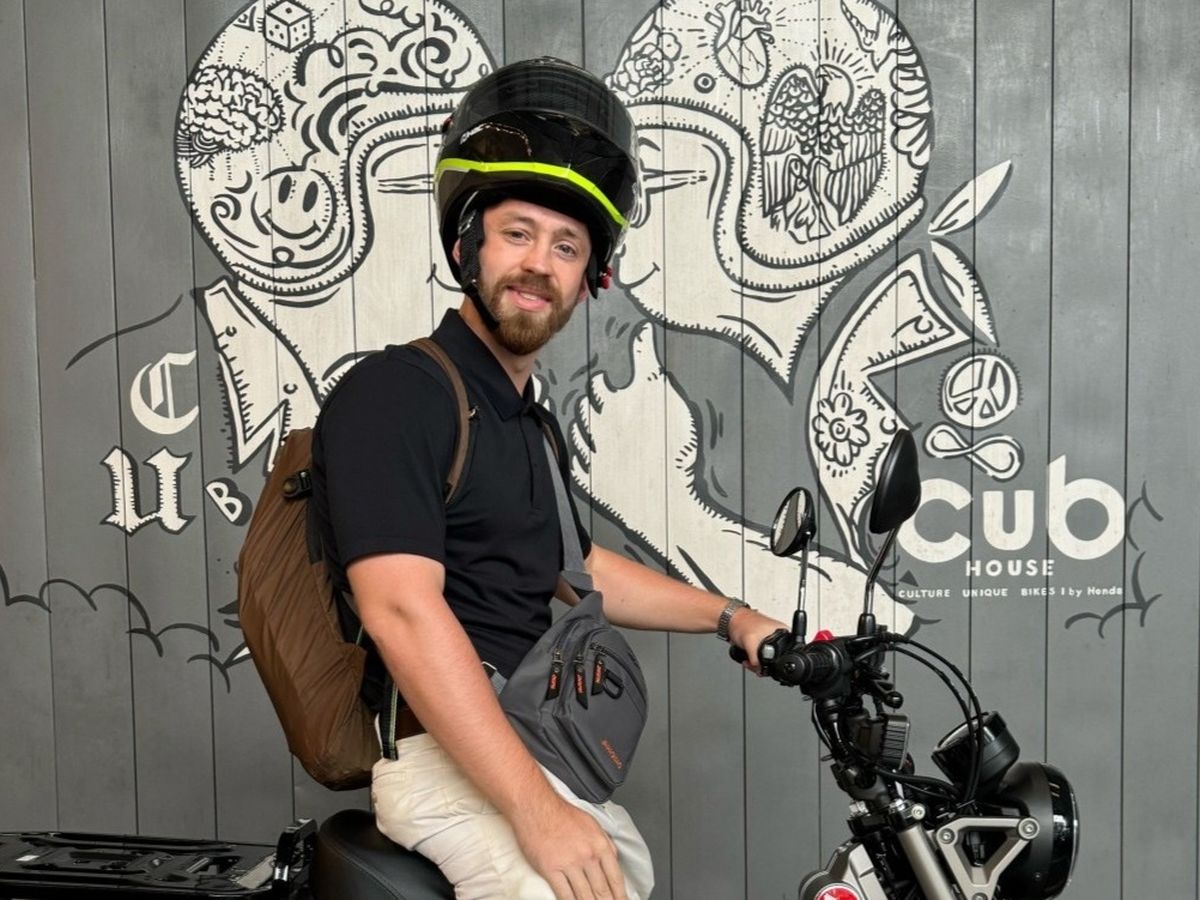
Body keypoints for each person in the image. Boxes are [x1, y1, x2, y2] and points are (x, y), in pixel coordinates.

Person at [312, 57, 788, 900]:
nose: (539, 263)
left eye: (566, 247)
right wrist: (534, 812)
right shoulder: (397, 394)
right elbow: (401, 610)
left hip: (528, 751)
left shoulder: (523, 420)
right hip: (446, 763)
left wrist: (732, 615)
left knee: (628, 876)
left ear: (591, 278)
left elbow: (579, 568)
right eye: (518, 234)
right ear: (466, 247)